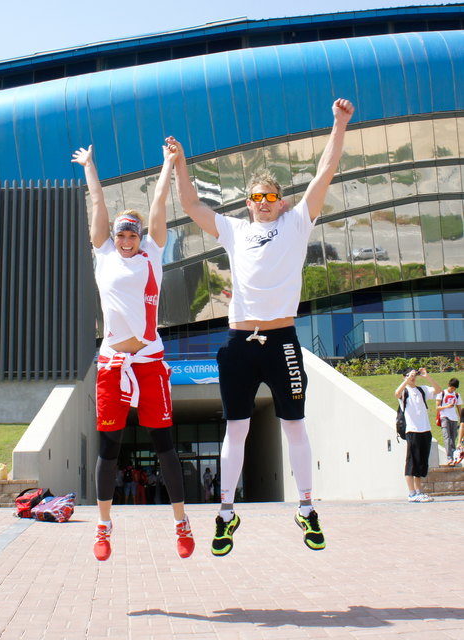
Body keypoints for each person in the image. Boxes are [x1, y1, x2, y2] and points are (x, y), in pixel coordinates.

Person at [169, 98, 355, 556]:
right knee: (237, 429)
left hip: (282, 341)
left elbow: (325, 171)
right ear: (248, 203)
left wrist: (339, 123)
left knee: (294, 425)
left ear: (281, 201)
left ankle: (307, 508)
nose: (264, 204)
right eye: (257, 199)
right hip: (238, 342)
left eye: (271, 198)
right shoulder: (233, 229)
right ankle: (226, 513)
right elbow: (190, 203)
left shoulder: (297, 223)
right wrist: (179, 163)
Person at [71, 143, 195, 561]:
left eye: (131, 234)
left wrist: (166, 164)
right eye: (121, 233)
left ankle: (181, 522)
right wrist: (90, 165)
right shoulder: (102, 254)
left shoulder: (152, 255)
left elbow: (159, 202)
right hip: (112, 362)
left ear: (140, 237)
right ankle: (103, 527)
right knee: (109, 450)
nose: (125, 239)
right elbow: (99, 204)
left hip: (149, 360)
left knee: (165, 446)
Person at [395, 367, 442, 502]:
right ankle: (412, 493)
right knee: (412, 462)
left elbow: (438, 390)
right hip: (412, 431)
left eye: (414, 375)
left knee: (421, 463)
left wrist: (427, 376)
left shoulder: (422, 390)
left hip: (425, 430)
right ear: (404, 377)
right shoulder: (404, 391)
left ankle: (419, 491)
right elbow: (396, 393)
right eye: (410, 375)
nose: (413, 377)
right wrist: (406, 380)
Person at [436, 377, 462, 464]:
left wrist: (461, 419)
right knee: (447, 437)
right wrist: (447, 407)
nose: (453, 390)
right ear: (448, 385)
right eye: (452, 387)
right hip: (444, 417)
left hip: (454, 419)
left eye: (454, 388)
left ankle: (454, 455)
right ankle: (449, 457)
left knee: (453, 438)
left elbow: (459, 408)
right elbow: (437, 407)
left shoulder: (457, 395)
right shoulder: (442, 393)